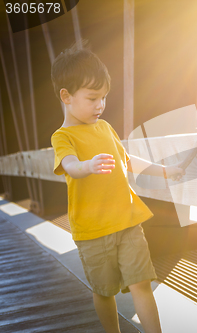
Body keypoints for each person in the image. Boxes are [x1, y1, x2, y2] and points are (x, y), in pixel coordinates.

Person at [50, 41, 184, 333]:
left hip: (127, 221)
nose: (100, 105)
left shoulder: (106, 127)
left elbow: (127, 159)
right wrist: (88, 166)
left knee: (142, 284)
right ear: (67, 96)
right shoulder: (62, 137)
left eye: (104, 98)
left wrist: (165, 171)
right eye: (93, 98)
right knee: (104, 291)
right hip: (92, 231)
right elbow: (70, 165)